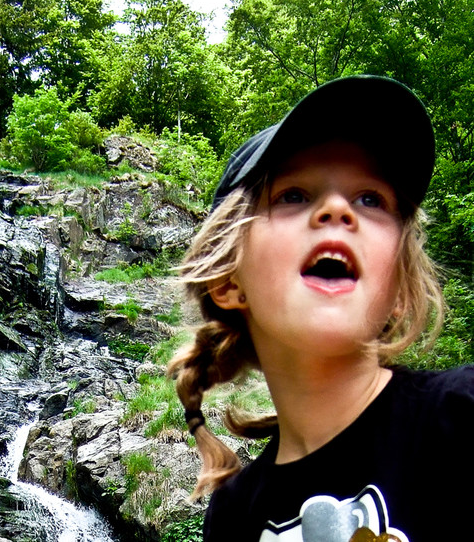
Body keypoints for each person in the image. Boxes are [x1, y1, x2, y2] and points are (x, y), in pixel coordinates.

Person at [167, 75, 474, 542]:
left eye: (371, 199)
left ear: (398, 285)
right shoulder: (232, 519)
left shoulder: (462, 414)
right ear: (226, 280)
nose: (337, 209)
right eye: (293, 195)